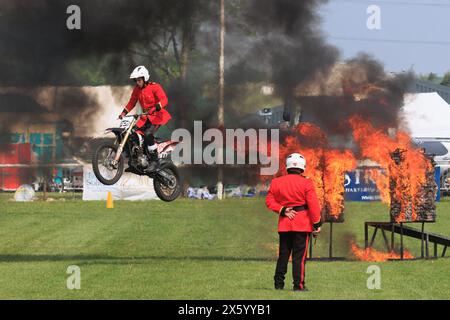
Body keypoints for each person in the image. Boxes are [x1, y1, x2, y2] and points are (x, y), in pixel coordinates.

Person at [265, 153, 322, 291]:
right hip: (302, 224)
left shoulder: (276, 182)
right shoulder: (306, 182)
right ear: (302, 167)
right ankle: (299, 286)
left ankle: (278, 285)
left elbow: (269, 201)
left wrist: (282, 209)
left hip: (285, 224)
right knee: (299, 258)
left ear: (287, 166)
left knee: (283, 256)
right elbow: (313, 205)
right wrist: (317, 224)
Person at [119, 66, 171, 172]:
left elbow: (164, 100)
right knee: (131, 133)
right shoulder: (137, 90)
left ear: (145, 78)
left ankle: (155, 161)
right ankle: (136, 160)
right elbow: (132, 102)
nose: (137, 82)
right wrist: (123, 113)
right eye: (136, 80)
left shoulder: (155, 87)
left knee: (147, 134)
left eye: (139, 80)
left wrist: (157, 106)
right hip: (144, 117)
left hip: (157, 116)